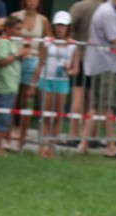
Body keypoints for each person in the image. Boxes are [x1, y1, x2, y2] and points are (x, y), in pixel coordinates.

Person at [76, 0, 116, 157]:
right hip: (106, 64)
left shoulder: (110, 10)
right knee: (107, 106)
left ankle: (83, 144)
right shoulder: (108, 12)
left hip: (100, 63)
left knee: (95, 107)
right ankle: (110, 146)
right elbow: (114, 39)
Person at [34, 10, 77, 157]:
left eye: (63, 26)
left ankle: (51, 148)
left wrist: (68, 70)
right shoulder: (47, 42)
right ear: (54, 26)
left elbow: (75, 70)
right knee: (45, 116)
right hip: (47, 80)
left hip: (62, 82)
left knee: (57, 117)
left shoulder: (73, 46)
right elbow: (40, 63)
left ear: (68, 27)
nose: (60, 28)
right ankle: (42, 147)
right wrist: (33, 83)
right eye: (58, 25)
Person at [10, 0, 49, 150]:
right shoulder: (15, 15)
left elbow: (46, 43)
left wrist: (41, 63)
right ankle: (9, 132)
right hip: (16, 57)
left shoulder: (43, 20)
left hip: (33, 59)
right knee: (12, 96)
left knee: (27, 99)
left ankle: (22, 134)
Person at [67, 0, 103, 143]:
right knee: (91, 98)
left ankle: (74, 133)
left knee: (79, 96)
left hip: (81, 55)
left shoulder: (80, 6)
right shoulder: (106, 9)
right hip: (96, 58)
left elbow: (69, 27)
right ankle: (89, 135)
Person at [0, 14, 27, 154]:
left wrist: (21, 55)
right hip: (3, 86)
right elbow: (2, 61)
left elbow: (13, 59)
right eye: (17, 29)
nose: (20, 32)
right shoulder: (3, 42)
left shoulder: (12, 42)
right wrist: (18, 54)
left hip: (11, 85)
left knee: (5, 119)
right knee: (1, 118)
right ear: (8, 28)